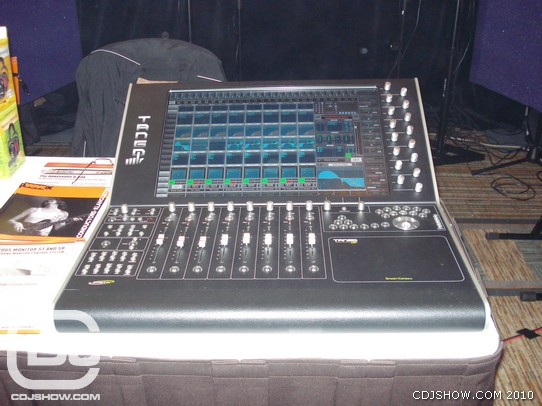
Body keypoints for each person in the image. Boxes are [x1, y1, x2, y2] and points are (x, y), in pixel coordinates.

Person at [8, 199, 75, 236]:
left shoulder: (63, 213)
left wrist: (71, 222)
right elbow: (9, 220)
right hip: (22, 233)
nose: (48, 200)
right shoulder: (33, 209)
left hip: (40, 236)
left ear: (58, 203)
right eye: (47, 200)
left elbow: (58, 228)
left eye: (52, 200)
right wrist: (17, 223)